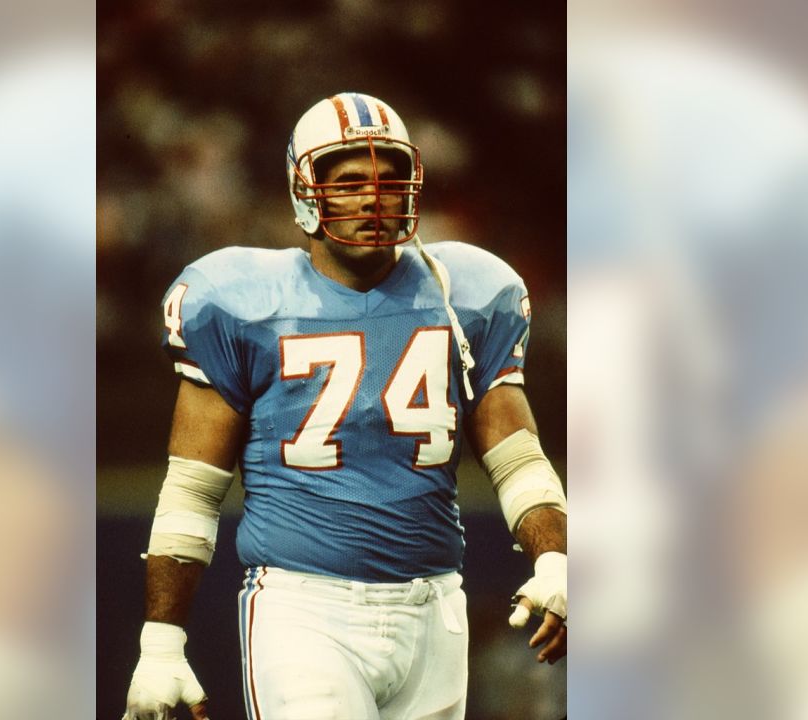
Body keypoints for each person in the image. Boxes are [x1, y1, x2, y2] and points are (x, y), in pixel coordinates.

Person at [123, 92, 567, 720]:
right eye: (351, 181)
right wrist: (160, 644)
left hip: (435, 608)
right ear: (306, 192)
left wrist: (555, 557)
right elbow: (193, 489)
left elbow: (518, 457)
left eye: (388, 178)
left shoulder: (466, 293)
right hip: (304, 609)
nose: (374, 197)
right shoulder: (241, 299)